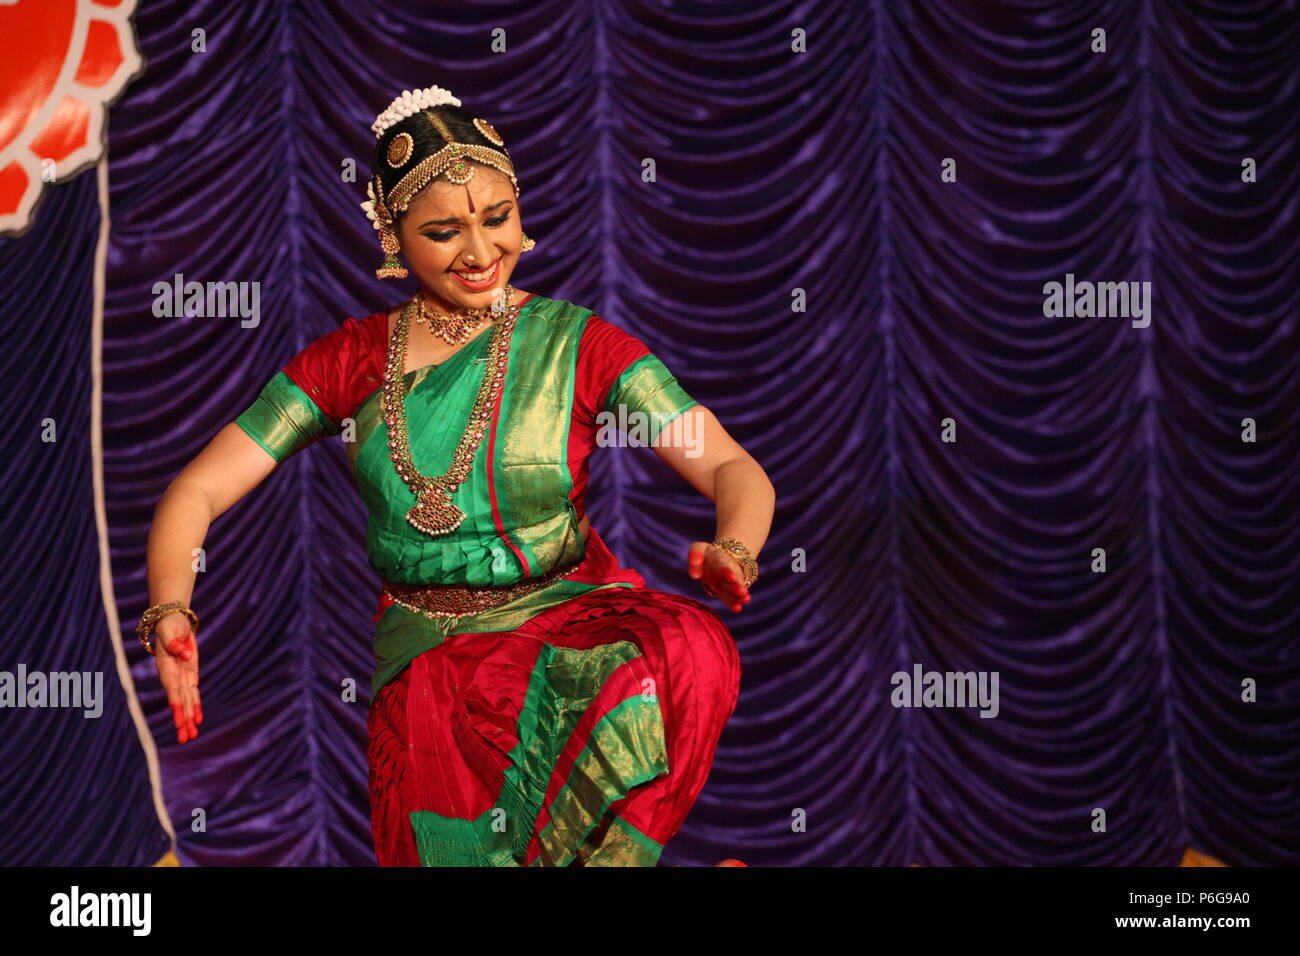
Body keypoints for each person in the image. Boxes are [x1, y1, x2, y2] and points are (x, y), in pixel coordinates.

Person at [138, 85, 776, 866]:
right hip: (427, 670)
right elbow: (197, 489)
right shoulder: (351, 361)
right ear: (393, 236)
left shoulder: (576, 345)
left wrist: (734, 549)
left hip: (559, 638)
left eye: (496, 218)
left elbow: (730, 465)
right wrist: (171, 608)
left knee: (688, 648)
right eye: (443, 231)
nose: (479, 253)